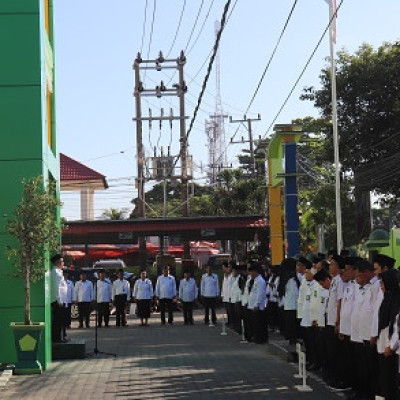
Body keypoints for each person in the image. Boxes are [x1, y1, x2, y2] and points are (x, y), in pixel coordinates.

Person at [376, 269, 400, 400]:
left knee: (391, 379)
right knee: (385, 378)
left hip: (391, 347)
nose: (381, 286)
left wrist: (390, 346)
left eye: (382, 283)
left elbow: (395, 325)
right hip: (383, 343)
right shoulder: (387, 299)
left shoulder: (396, 300)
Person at [247, 263, 268, 344]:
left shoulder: (260, 281)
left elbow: (260, 294)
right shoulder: (254, 280)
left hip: (258, 306)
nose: (250, 274)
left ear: (256, 272)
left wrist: (256, 304)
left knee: (259, 324)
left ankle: (261, 338)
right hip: (252, 305)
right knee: (255, 323)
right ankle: (256, 337)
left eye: (251, 272)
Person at [50, 254, 64, 343]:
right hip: (56, 300)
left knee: (60, 320)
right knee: (57, 320)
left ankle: (60, 337)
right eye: (62, 261)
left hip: (60, 300)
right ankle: (56, 338)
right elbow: (56, 287)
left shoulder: (59, 271)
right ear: (57, 262)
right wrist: (59, 300)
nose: (63, 263)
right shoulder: (55, 272)